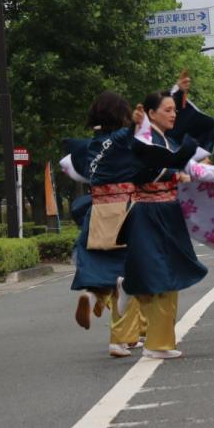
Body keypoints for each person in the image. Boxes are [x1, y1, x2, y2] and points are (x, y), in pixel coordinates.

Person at [118, 90, 204, 360]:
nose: (173, 114)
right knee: (163, 276)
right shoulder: (142, 140)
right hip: (149, 210)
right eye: (167, 110)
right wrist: (175, 173)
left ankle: (131, 287)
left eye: (174, 109)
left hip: (167, 210)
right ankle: (156, 342)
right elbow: (139, 171)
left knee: (168, 275)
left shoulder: (168, 141)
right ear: (151, 113)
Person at [62, 91, 148, 358]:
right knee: (130, 274)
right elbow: (132, 138)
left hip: (97, 212)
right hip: (124, 211)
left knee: (100, 269)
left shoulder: (91, 145)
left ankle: (91, 297)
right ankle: (122, 339)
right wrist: (137, 123)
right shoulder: (122, 139)